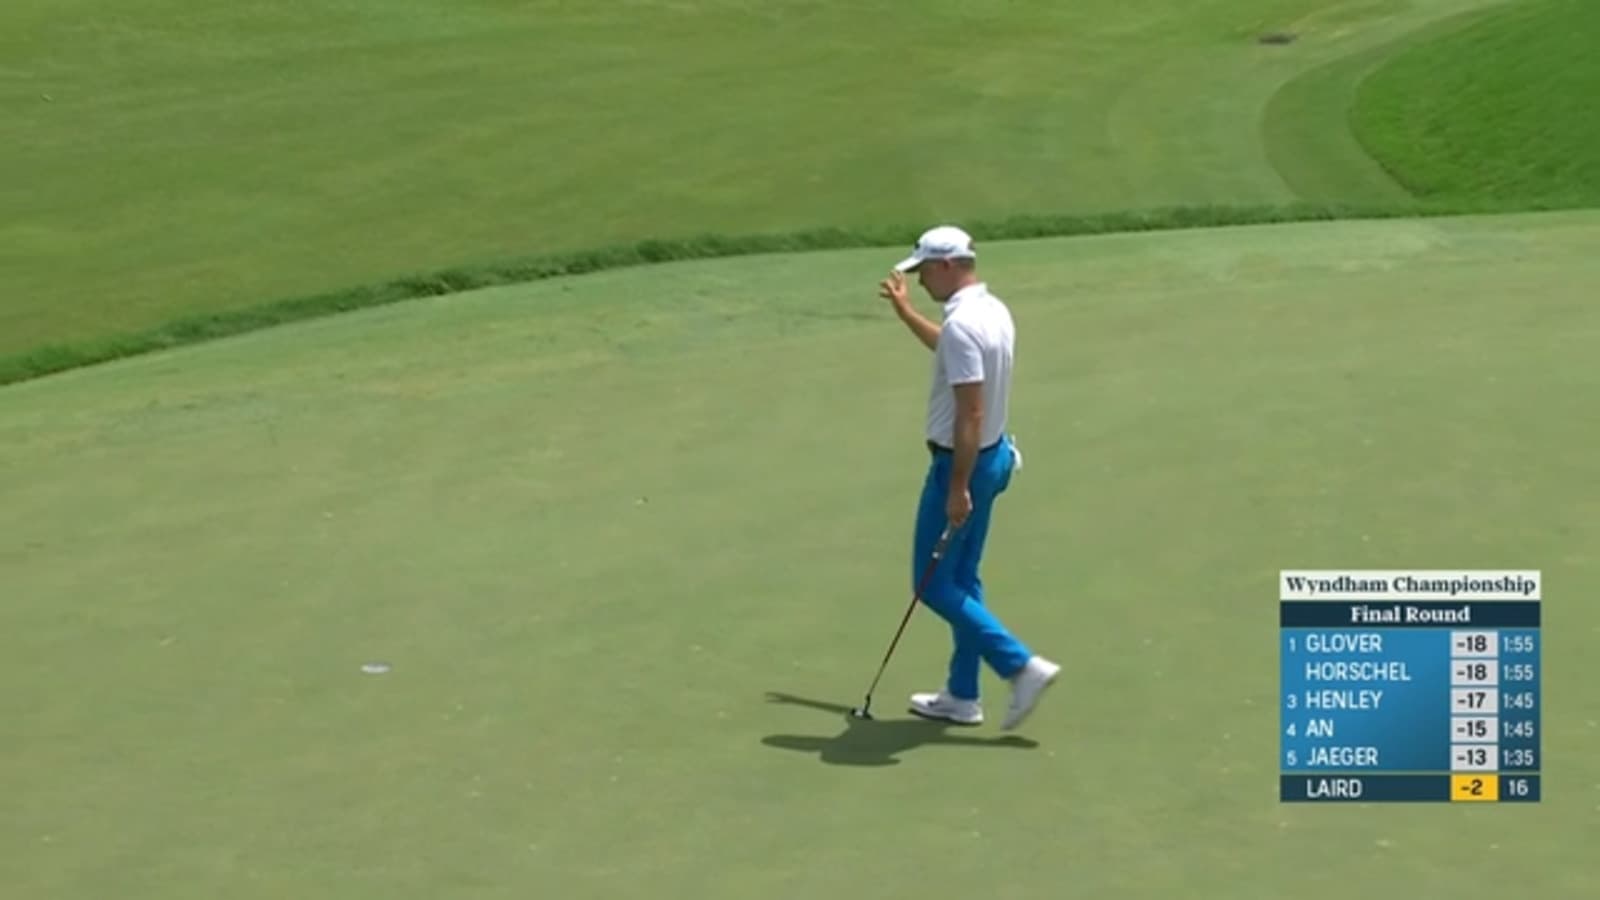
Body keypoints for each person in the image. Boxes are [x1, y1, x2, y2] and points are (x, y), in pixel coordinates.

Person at [877, 224, 1060, 731]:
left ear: (947, 266)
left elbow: (970, 414)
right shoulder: (992, 310)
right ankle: (962, 694)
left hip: (964, 465)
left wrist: (956, 488)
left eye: (924, 272)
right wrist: (906, 313)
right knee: (962, 579)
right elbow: (954, 357)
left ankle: (1019, 665)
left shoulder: (962, 325)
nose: (923, 282)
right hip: (995, 458)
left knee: (932, 585)